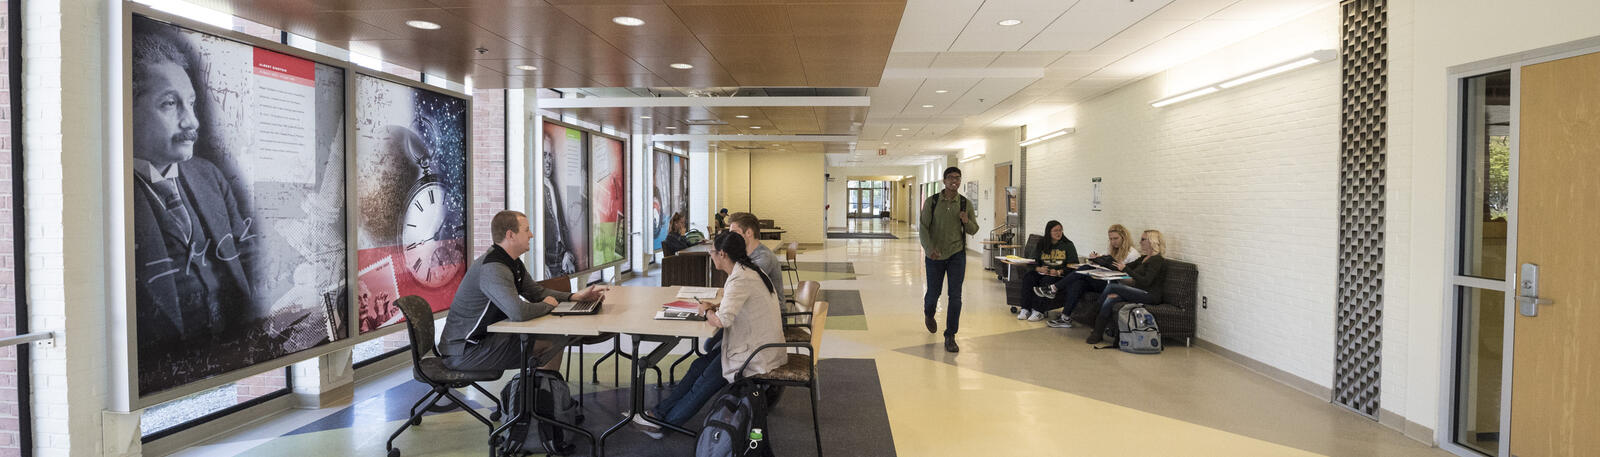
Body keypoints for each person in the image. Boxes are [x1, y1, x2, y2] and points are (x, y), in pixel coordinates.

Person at [131, 22, 258, 355]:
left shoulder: (209, 177)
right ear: (127, 110)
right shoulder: (113, 198)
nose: (192, 122)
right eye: (170, 104)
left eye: (190, 103)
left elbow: (246, 258)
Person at [633, 231, 785, 438]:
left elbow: (722, 321)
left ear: (722, 254)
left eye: (712, 252)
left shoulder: (740, 278)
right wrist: (715, 307)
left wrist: (706, 311)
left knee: (704, 382)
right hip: (757, 345)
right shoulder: (749, 270)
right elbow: (738, 306)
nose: (711, 255)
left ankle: (666, 424)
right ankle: (657, 413)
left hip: (755, 354)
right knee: (698, 367)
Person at [437, 211, 606, 372]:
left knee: (552, 337)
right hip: (464, 351)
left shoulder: (512, 262)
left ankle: (542, 390)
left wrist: (574, 297)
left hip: (484, 340)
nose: (531, 235)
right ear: (510, 235)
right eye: (526, 230)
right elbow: (518, 312)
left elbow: (535, 292)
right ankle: (542, 394)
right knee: (553, 340)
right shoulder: (493, 268)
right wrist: (548, 305)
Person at [919, 166, 978, 352]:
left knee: (955, 296)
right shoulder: (932, 201)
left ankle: (950, 335)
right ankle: (929, 313)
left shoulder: (965, 204)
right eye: (951, 178)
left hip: (956, 255)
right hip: (935, 255)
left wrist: (966, 220)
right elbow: (923, 228)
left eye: (958, 178)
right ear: (944, 181)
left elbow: (973, 230)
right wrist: (929, 249)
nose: (955, 181)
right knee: (933, 294)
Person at [1036, 224, 1140, 328]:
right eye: (1111, 239)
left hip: (1116, 284)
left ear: (1124, 237)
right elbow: (1104, 264)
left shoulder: (1132, 254)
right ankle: (1065, 317)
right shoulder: (1111, 250)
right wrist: (1096, 260)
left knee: (1084, 268)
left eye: (1116, 238)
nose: (1113, 242)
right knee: (1078, 282)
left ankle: (1054, 287)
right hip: (1103, 280)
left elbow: (1133, 279)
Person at [1085, 230, 1169, 345]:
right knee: (1111, 298)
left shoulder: (1157, 260)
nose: (1140, 242)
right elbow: (1120, 267)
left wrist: (1126, 269)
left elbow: (1146, 281)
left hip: (1150, 295)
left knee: (1112, 287)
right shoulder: (1144, 258)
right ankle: (1097, 333)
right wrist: (1099, 260)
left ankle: (1092, 314)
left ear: (1152, 241)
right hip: (1139, 291)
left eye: (1143, 239)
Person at [1017, 220, 1077, 322]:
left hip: (1058, 275)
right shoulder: (1041, 243)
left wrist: (1059, 271)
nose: (1058, 233)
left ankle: (1038, 311)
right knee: (1028, 277)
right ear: (1049, 232)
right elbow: (1031, 261)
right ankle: (1025, 309)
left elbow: (1074, 265)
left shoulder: (1068, 245)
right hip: (1041, 271)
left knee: (1047, 280)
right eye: (1055, 231)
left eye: (1060, 230)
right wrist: (1038, 268)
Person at [726, 212, 783, 284]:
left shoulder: (764, 257)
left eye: (734, 232)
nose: (730, 237)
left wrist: (726, 264)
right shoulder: (745, 255)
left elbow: (743, 283)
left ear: (749, 233)